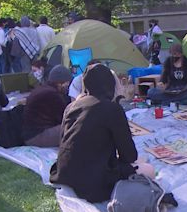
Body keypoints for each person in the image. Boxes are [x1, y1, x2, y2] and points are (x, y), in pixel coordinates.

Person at [50, 64, 155, 203]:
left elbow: (64, 142)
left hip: (63, 173)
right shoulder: (112, 109)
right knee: (148, 169)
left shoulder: (71, 107)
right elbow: (129, 155)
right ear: (109, 84)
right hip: (93, 181)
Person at [22, 65, 72, 147]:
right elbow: (63, 119)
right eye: (67, 83)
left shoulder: (42, 89)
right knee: (75, 127)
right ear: (60, 83)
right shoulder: (53, 95)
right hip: (37, 136)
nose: (68, 86)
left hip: (30, 134)